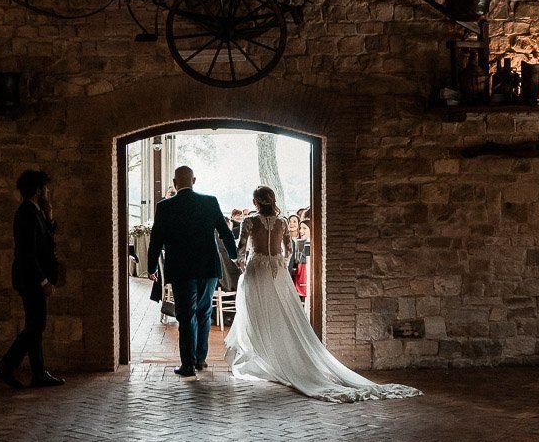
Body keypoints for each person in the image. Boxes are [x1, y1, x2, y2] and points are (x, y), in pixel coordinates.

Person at [226, 186, 418, 403]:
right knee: (282, 315)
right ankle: (282, 357)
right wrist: (280, 266)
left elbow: (241, 250)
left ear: (255, 202)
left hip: (256, 270)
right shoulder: (281, 222)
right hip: (277, 272)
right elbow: (288, 251)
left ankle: (265, 359)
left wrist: (243, 266)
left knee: (257, 316)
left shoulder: (249, 222)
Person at [146, 165, 236, 377]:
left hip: (181, 268)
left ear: (175, 183)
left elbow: (156, 240)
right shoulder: (210, 202)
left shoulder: (165, 207)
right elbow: (225, 233)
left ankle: (187, 365)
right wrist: (233, 256)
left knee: (185, 316)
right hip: (208, 268)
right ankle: (200, 359)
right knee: (204, 313)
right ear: (194, 180)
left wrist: (151, 268)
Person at [0, 169, 65, 390]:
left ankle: (38, 372)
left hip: (31, 277)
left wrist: (49, 218)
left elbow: (45, 244)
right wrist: (44, 282)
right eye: (45, 187)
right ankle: (6, 364)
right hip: (30, 278)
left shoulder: (35, 212)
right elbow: (28, 253)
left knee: (35, 325)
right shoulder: (26, 214)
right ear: (37, 190)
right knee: (35, 325)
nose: (48, 191)